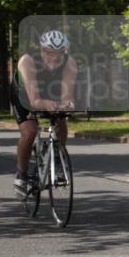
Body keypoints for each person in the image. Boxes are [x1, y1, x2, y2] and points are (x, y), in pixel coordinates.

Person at [12, 30, 77, 198]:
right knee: (30, 131)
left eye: (59, 53)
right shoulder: (27, 61)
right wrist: (48, 104)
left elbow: (66, 96)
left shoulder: (69, 63)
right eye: (49, 52)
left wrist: (67, 105)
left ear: (64, 52)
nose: (54, 57)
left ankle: (57, 157)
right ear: (41, 50)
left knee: (61, 118)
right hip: (25, 95)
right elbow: (34, 101)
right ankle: (21, 173)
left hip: (50, 90)